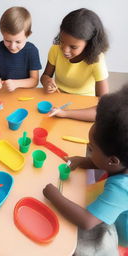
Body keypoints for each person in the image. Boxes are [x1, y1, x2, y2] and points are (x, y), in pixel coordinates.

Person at [43, 85, 128, 255]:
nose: (88, 150)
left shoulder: (121, 188)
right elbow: (107, 164)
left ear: (112, 160)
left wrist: (54, 196)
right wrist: (84, 161)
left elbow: (87, 221)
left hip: (121, 229)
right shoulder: (121, 158)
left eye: (91, 148)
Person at [41, 8, 109, 121]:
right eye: (62, 41)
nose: (65, 50)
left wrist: (65, 113)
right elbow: (44, 77)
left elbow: (104, 109)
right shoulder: (55, 49)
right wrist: (47, 81)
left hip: (85, 106)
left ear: (89, 44)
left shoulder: (97, 60)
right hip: (57, 100)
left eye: (73, 47)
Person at [0, 6, 42, 92]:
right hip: (3, 94)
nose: (12, 46)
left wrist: (16, 84)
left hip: (25, 94)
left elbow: (34, 81)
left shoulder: (32, 51)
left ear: (28, 35)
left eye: (18, 42)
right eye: (7, 40)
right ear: (2, 33)